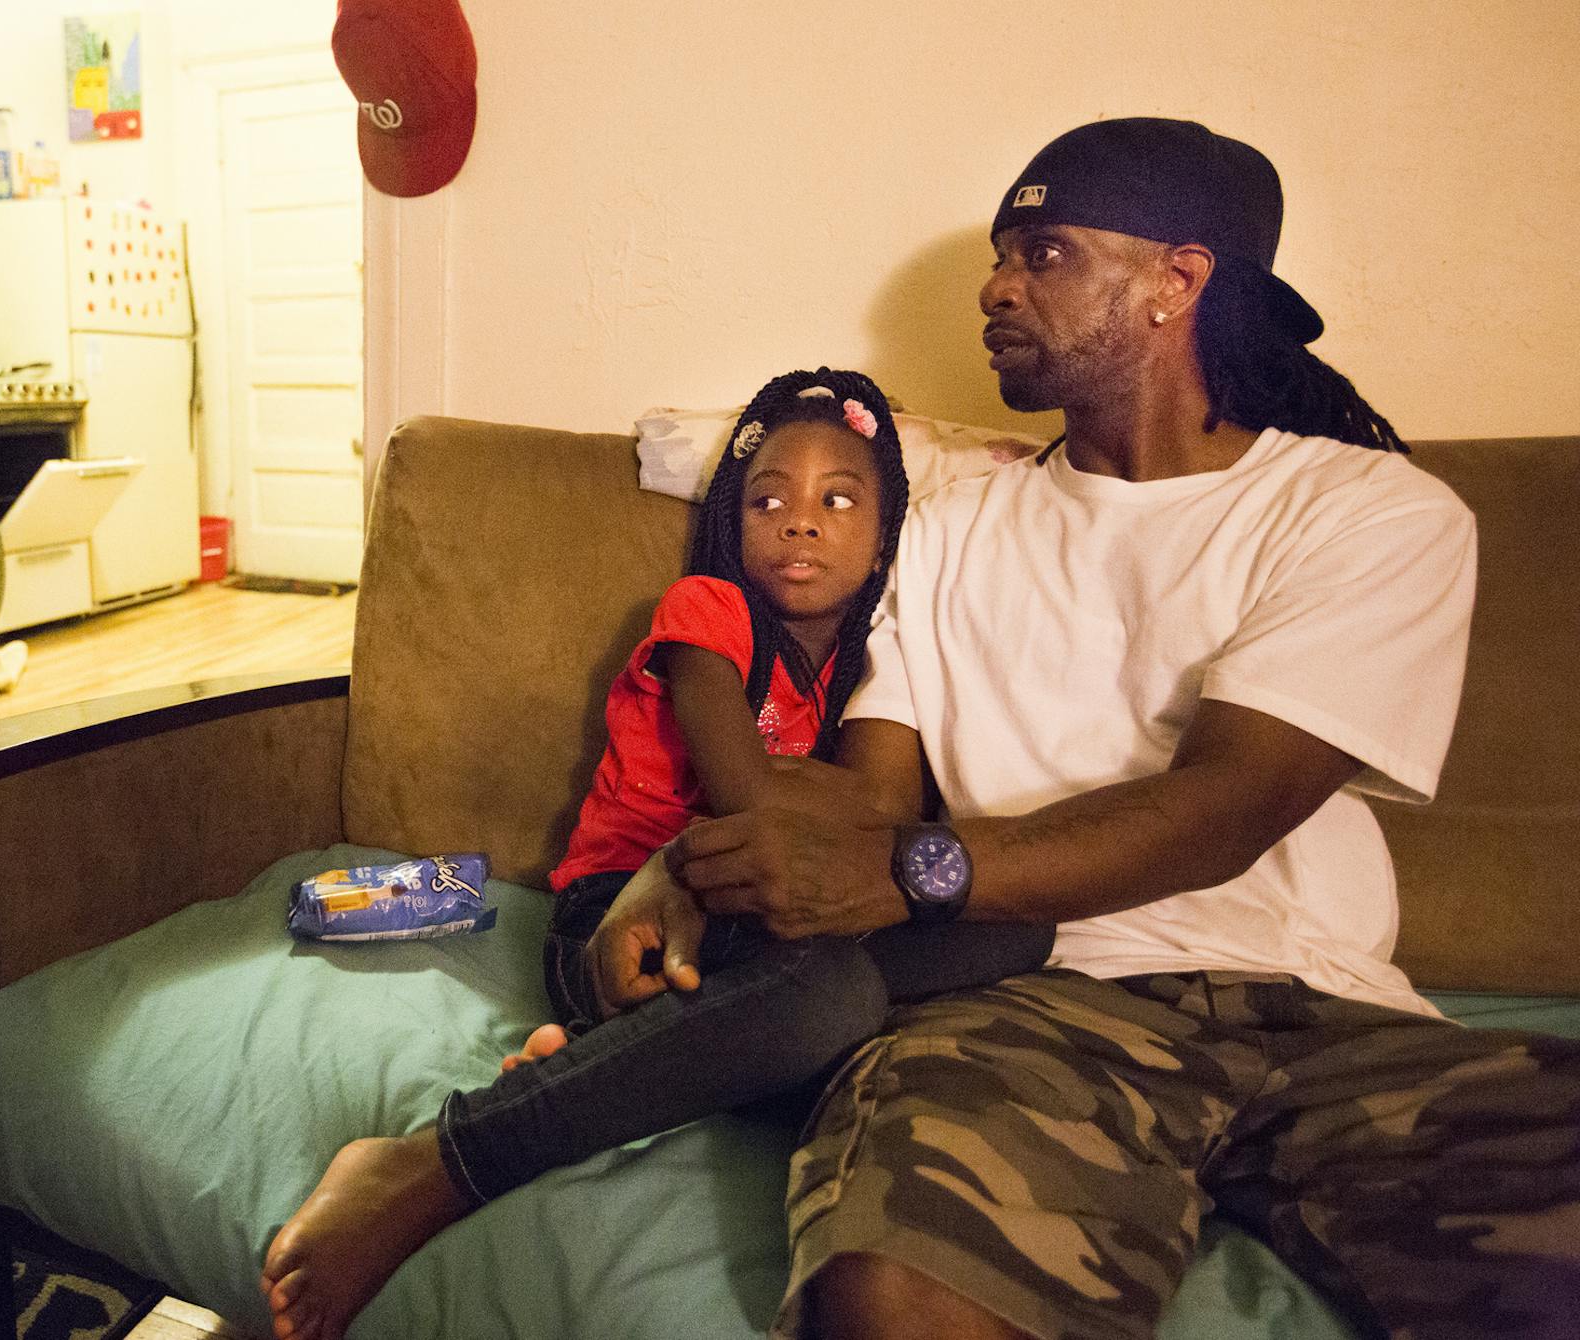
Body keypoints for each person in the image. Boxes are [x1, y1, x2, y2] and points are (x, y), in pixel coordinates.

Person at [648, 118, 1580, 1340]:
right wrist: (686, 866)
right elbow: (868, 802)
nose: (995, 285)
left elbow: (1227, 805)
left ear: (1175, 281)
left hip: (1327, 1014)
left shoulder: (1369, 511)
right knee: (895, 1295)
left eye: (1044, 252)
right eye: (1002, 254)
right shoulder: (948, 528)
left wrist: (914, 869)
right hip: (1031, 998)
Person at [259, 367, 1051, 1340]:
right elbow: (750, 800)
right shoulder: (706, 612)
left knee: (1013, 927)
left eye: (839, 499)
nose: (801, 522)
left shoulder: (878, 658)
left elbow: (874, 841)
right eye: (770, 499)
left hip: (767, 915)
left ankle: (641, 1058)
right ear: (733, 518)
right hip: (625, 915)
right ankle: (442, 1155)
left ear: (888, 528)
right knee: (834, 996)